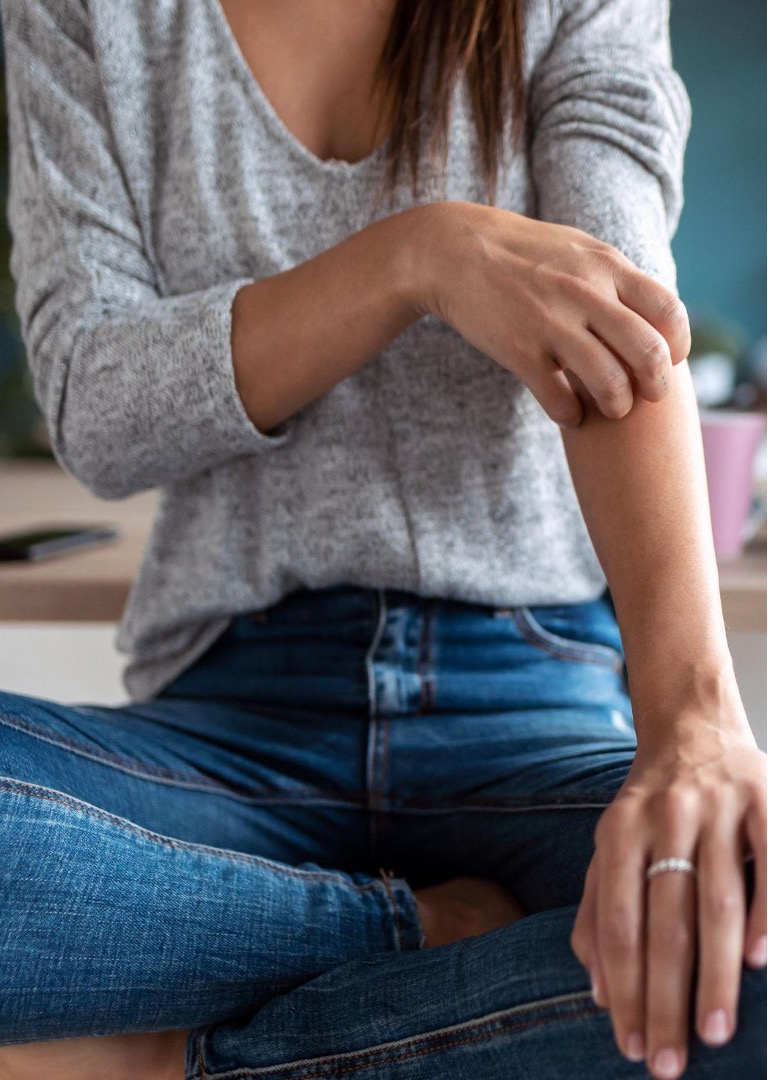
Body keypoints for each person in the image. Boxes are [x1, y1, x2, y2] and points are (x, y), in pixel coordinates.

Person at [0, 0, 764, 1078]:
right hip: (233, 726)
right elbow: (94, 401)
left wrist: (695, 724)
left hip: (530, 710)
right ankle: (417, 945)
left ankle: (166, 1061)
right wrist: (419, 258)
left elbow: (624, 322)